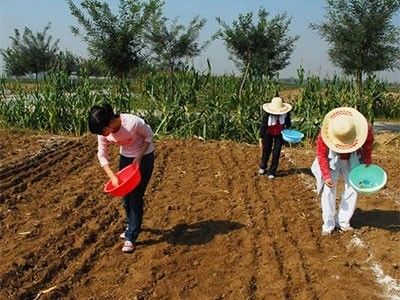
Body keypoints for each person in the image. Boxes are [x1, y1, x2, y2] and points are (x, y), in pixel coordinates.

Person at [88, 103, 155, 253]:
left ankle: (131, 236)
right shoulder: (103, 131)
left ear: (110, 122)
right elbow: (102, 154)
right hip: (125, 158)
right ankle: (131, 225)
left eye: (102, 130)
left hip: (144, 157)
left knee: (136, 196)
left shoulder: (132, 122)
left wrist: (139, 157)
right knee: (126, 197)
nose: (102, 134)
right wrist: (112, 177)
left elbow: (149, 136)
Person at [311, 107, 373, 235]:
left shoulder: (365, 129)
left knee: (353, 187)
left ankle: (343, 222)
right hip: (331, 158)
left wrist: (367, 162)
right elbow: (321, 154)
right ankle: (328, 225)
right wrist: (326, 175)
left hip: (352, 157)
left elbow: (367, 146)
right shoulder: (325, 133)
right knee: (328, 190)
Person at [258, 97, 292, 179]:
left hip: (279, 134)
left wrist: (288, 134)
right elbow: (263, 126)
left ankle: (272, 171)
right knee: (266, 150)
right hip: (268, 134)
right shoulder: (267, 115)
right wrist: (260, 137)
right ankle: (263, 166)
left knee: (276, 153)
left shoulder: (285, 115)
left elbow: (288, 124)